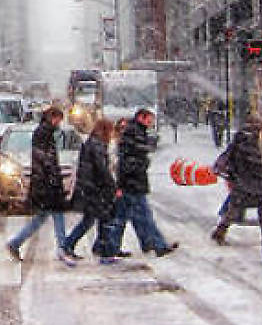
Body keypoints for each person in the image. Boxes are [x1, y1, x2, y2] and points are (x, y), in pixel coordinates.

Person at [6, 106, 73, 266]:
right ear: (52, 118)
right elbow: (45, 159)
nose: (59, 123)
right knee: (57, 214)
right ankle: (62, 248)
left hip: (43, 182)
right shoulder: (44, 133)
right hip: (46, 183)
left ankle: (15, 242)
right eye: (58, 119)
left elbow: (44, 158)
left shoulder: (45, 132)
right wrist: (53, 179)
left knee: (42, 217)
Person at [108, 108, 178, 257]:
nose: (151, 123)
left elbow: (127, 158)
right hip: (133, 184)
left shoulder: (133, 133)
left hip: (129, 183)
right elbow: (130, 161)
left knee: (124, 217)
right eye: (149, 119)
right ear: (141, 117)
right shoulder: (135, 134)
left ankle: (114, 247)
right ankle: (158, 245)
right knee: (144, 216)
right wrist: (143, 163)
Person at [61, 118, 120, 263]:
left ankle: (92, 247)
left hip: (90, 188)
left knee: (93, 219)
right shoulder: (97, 145)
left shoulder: (92, 143)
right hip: (94, 189)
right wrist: (112, 186)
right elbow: (102, 169)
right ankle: (99, 250)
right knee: (101, 219)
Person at [211, 115, 262, 247]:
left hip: (242, 181)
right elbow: (254, 162)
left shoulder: (240, 139)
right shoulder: (250, 141)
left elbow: (233, 158)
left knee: (234, 209)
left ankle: (220, 232)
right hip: (253, 181)